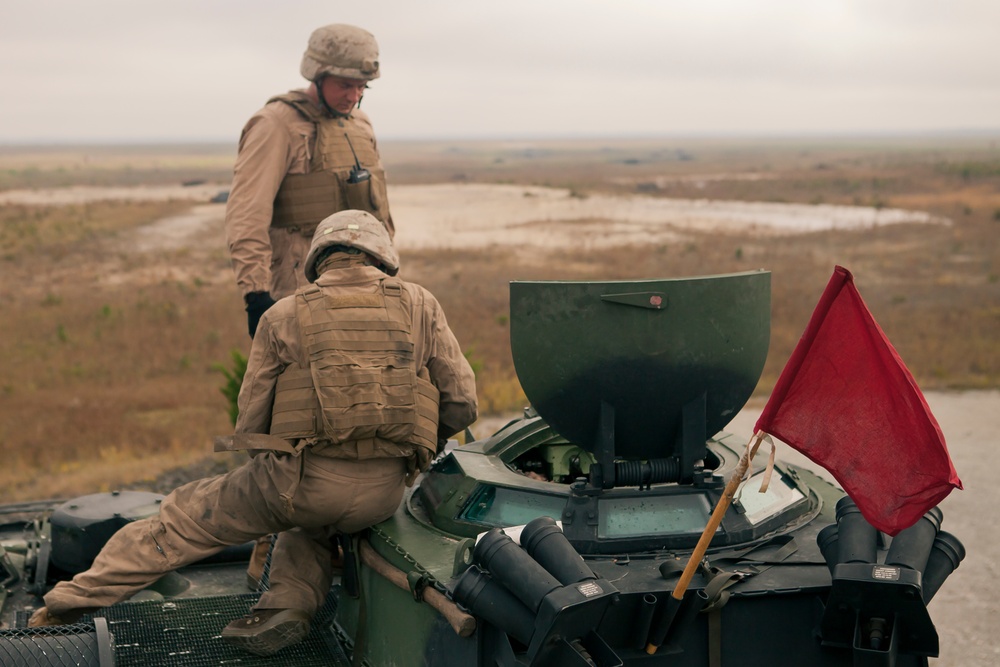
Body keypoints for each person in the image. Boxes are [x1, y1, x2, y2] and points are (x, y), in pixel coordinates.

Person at [30, 210, 479, 657]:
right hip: (383, 494)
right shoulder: (422, 304)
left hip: (300, 484)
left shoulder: (285, 314)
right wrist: (407, 449)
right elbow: (462, 401)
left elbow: (250, 424)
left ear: (319, 258)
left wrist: (278, 471)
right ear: (381, 257)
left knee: (183, 518)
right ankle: (287, 606)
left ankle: (68, 603)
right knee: (311, 527)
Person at [226, 23, 395, 338]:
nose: (354, 96)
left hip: (367, 290)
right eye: (345, 85)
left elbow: (380, 212)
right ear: (317, 74)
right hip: (301, 294)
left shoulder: (360, 124)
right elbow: (247, 214)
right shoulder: (275, 124)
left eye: (362, 87)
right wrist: (256, 294)